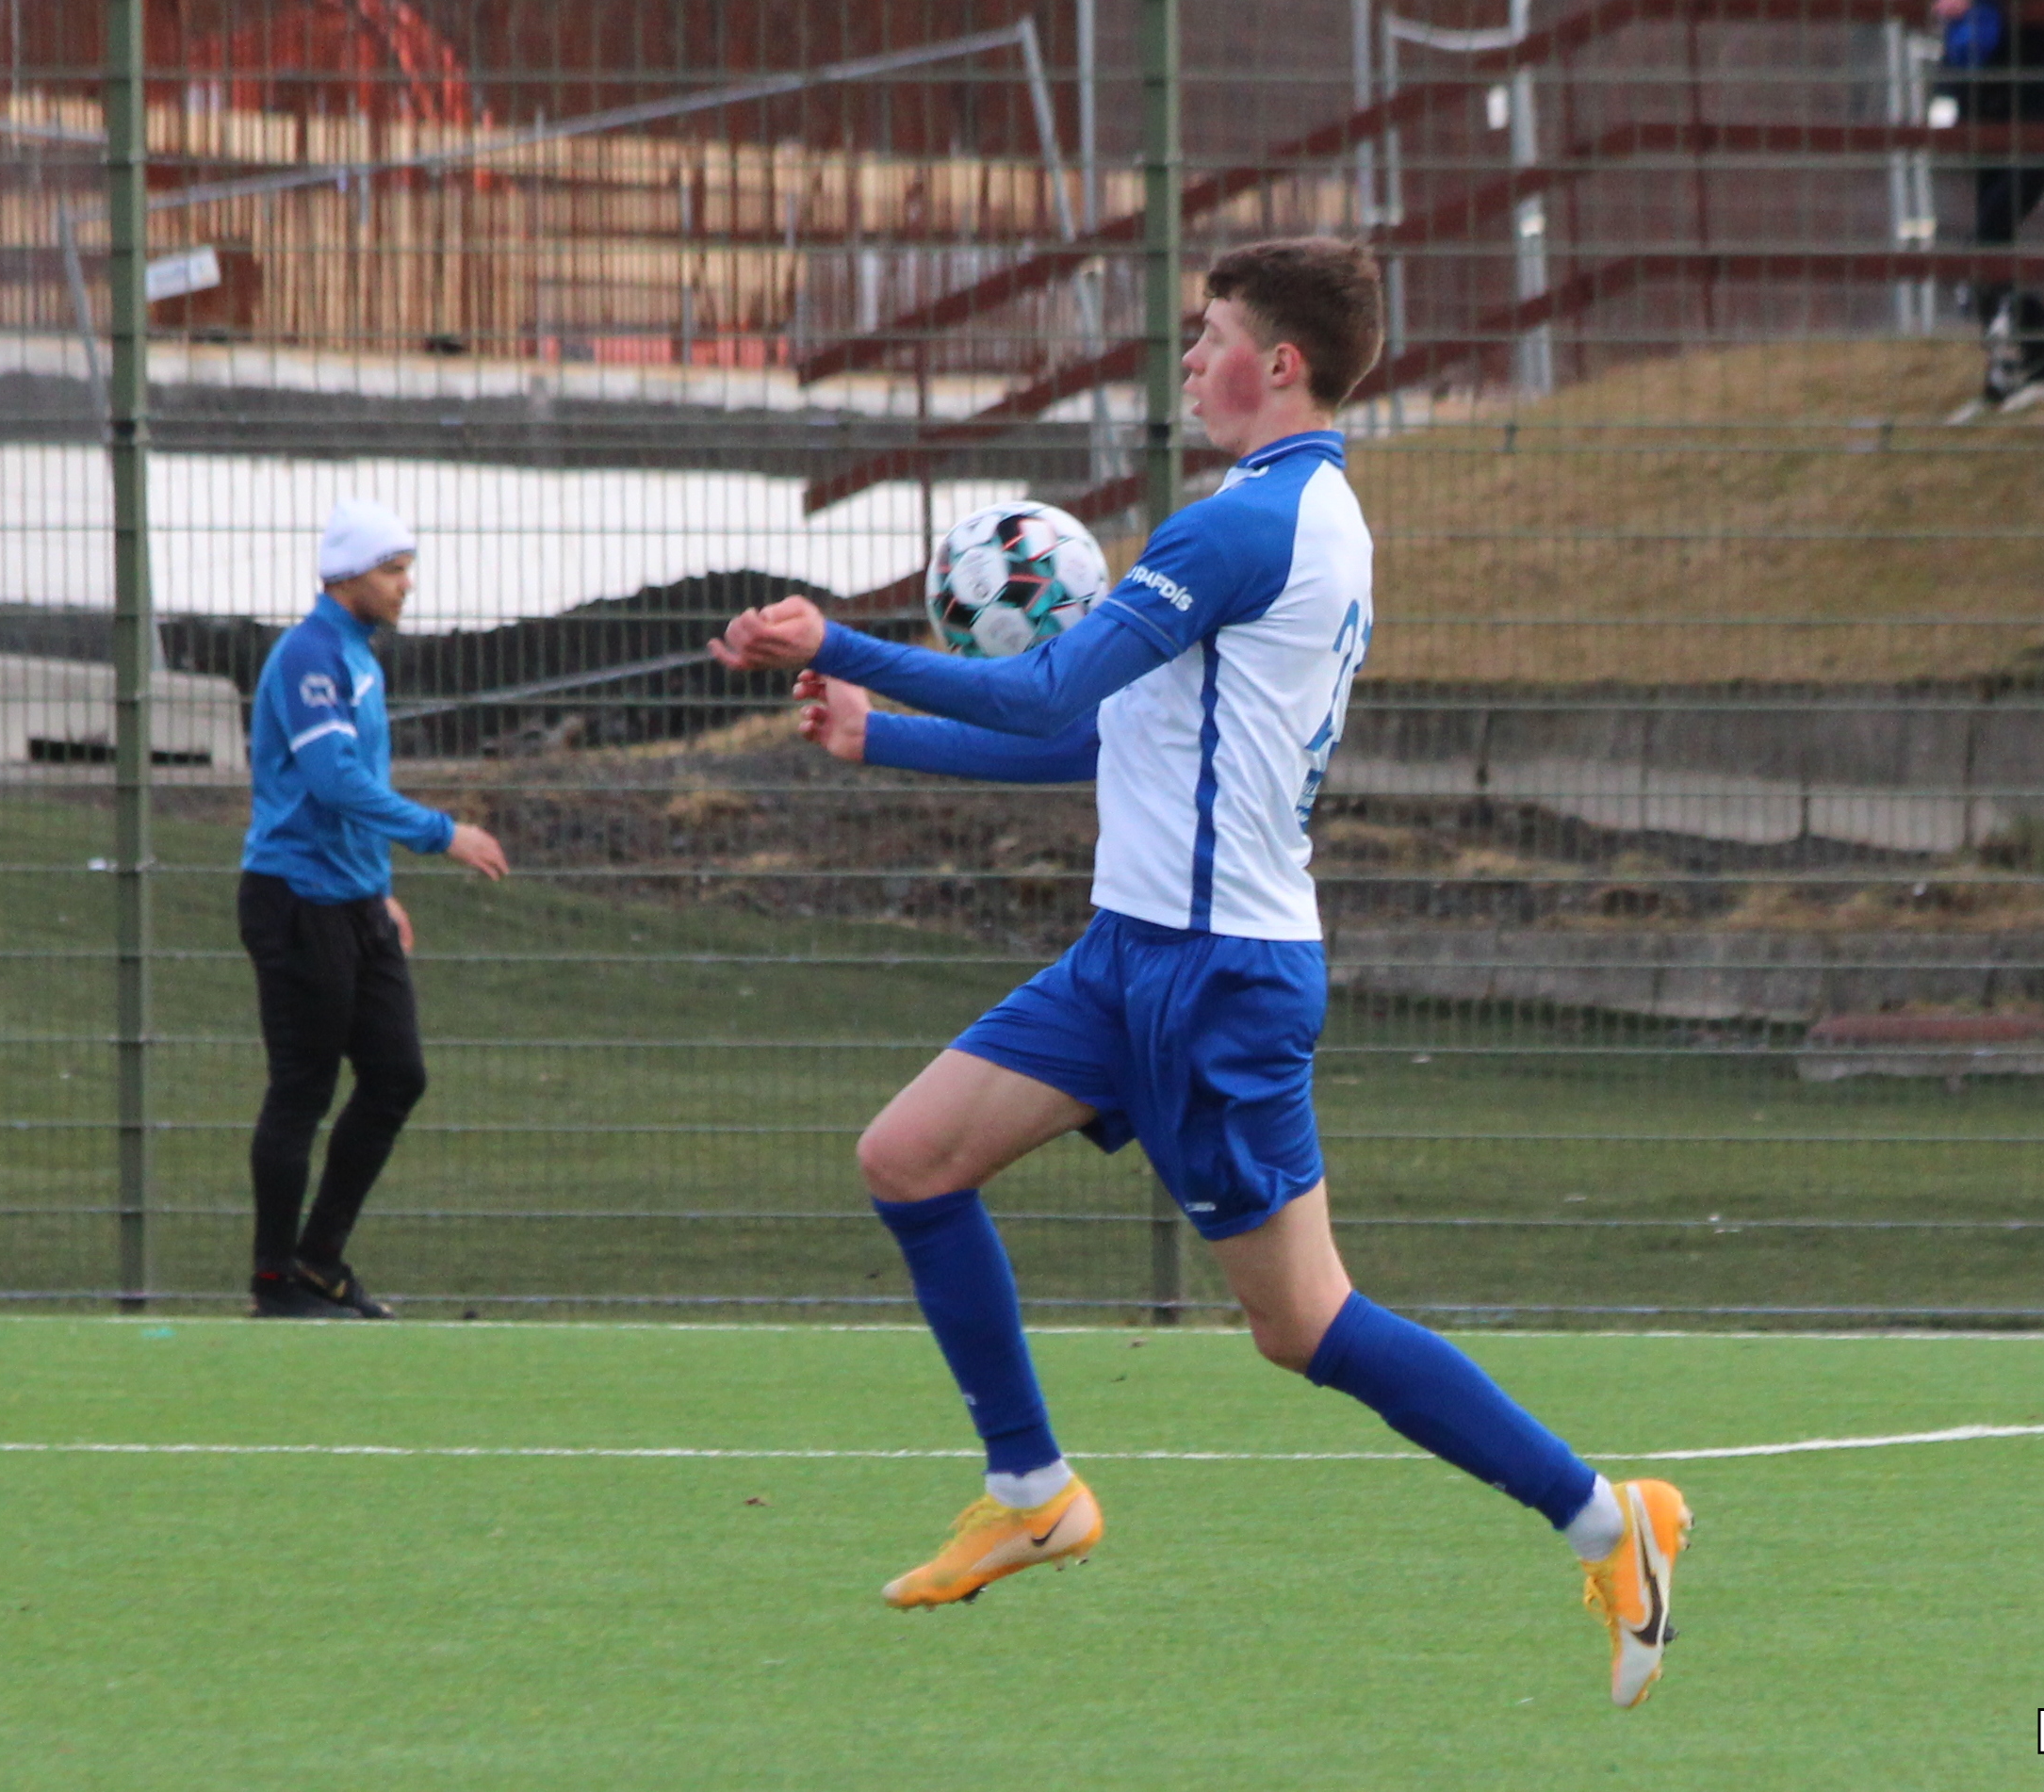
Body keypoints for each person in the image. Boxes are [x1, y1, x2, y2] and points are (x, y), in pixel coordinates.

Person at [711, 239, 1692, 1708]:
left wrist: (840, 637)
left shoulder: (1247, 526)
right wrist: (880, 730)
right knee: (908, 1159)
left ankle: (1610, 1519)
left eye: (1212, 331)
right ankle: (1034, 1491)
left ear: (1278, 363)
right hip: (1130, 954)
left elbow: (1046, 686)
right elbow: (1109, 737)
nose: (1188, 355)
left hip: (1221, 978)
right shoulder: (1278, 517)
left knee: (1306, 1325)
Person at [238, 497, 508, 1319]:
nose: (405, 585)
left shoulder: (356, 654)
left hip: (355, 900)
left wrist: (380, 889)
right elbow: (333, 782)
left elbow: (355, 792)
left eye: (405, 569)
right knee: (302, 1090)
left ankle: (319, 1261)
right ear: (348, 574)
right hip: (296, 898)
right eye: (392, 570)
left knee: (397, 1076)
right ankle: (276, 1283)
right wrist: (442, 834)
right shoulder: (310, 655)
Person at [1932, 0, 2044, 409]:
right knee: (1993, 246)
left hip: (2032, 112)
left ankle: (2038, 360)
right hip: (1983, 112)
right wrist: (1946, 98)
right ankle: (2006, 374)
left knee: (1986, 241)